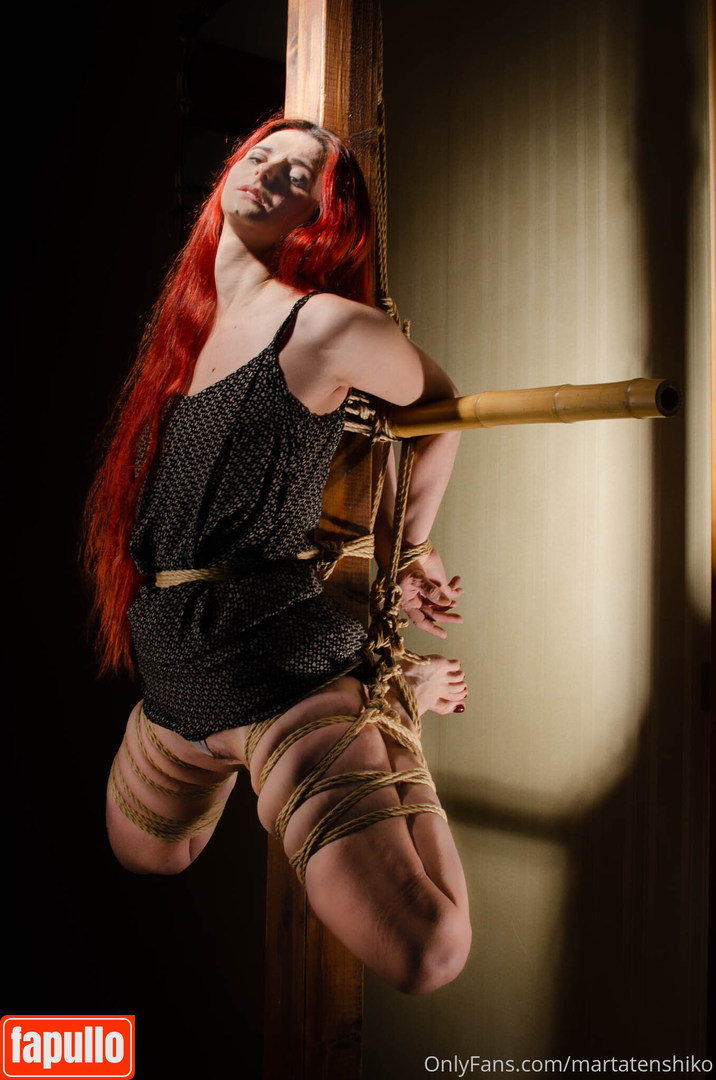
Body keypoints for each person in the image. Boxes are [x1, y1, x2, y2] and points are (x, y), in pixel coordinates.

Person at [84, 115, 471, 995]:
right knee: (150, 853)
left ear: (322, 219)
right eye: (262, 154)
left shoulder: (323, 325)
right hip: (178, 675)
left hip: (278, 672)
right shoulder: (185, 324)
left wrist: (409, 550)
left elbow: (440, 409)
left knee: (430, 951)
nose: (270, 171)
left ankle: (389, 702)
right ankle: (261, 731)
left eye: (301, 175)